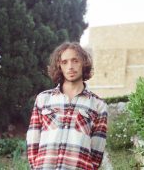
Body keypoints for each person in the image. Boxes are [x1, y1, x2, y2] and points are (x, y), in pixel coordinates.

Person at [26, 42, 108, 170]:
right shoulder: (43, 99)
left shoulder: (98, 105)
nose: (70, 66)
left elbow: (97, 152)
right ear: (59, 66)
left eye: (75, 61)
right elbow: (33, 140)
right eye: (64, 62)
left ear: (84, 63)